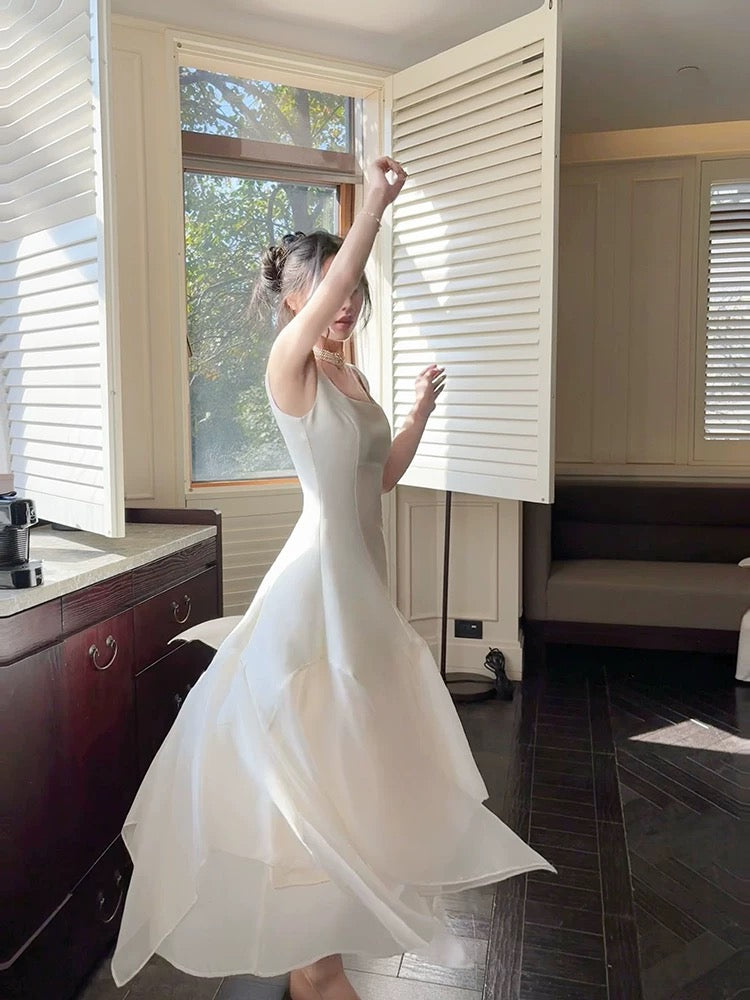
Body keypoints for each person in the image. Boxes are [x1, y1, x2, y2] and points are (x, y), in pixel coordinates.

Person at [110, 156, 553, 1000]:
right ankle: (313, 957)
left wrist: (417, 414)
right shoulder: (291, 367)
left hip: (362, 585)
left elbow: (378, 477)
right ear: (293, 300)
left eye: (348, 291)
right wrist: (374, 208)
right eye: (324, 289)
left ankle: (319, 948)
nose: (343, 302)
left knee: (354, 752)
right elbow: (341, 283)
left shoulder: (352, 376)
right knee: (309, 746)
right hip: (315, 584)